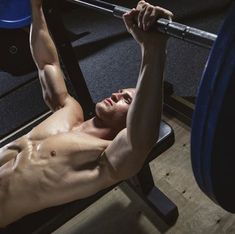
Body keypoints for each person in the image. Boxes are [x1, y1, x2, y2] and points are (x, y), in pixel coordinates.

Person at [0, 0, 173, 227]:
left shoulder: (103, 159)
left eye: (126, 99)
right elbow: (47, 64)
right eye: (121, 91)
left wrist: (152, 49)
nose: (117, 94)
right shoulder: (69, 110)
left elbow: (140, 140)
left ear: (133, 120)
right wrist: (35, 8)